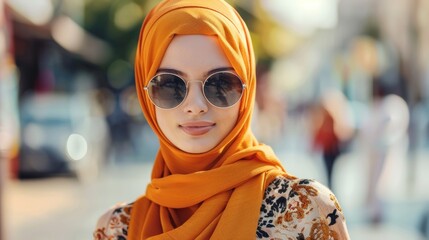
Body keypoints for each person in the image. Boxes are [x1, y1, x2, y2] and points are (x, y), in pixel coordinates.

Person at [93, 0, 350, 239]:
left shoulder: (307, 211)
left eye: (221, 83)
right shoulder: (116, 229)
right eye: (170, 85)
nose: (195, 106)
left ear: (246, 91)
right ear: (145, 93)